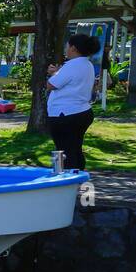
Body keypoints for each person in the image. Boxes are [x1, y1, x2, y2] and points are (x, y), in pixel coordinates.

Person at [45, 33, 102, 170]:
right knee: (75, 149)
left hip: (65, 114)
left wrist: (53, 74)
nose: (66, 49)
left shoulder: (72, 65)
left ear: (74, 48)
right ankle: (78, 178)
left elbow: (51, 85)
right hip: (82, 111)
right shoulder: (87, 64)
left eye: (67, 46)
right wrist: (59, 72)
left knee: (65, 151)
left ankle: (67, 181)